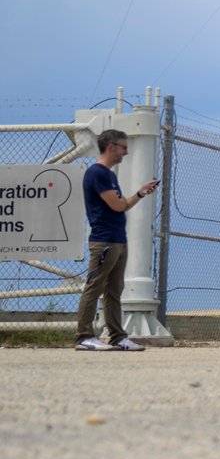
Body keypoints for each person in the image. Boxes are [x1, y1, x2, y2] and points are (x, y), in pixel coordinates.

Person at [75, 128, 158, 351]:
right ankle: (84, 336)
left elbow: (123, 205)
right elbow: (118, 205)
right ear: (111, 147)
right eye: (123, 147)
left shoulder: (110, 175)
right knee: (94, 287)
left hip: (118, 239)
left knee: (114, 290)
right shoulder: (98, 173)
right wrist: (127, 199)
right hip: (104, 241)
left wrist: (140, 193)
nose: (126, 152)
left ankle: (117, 337)